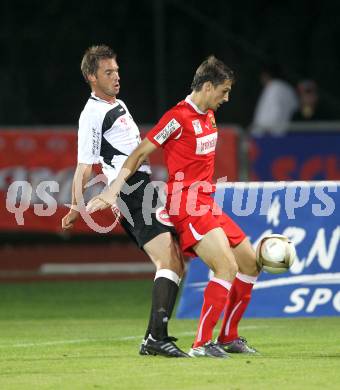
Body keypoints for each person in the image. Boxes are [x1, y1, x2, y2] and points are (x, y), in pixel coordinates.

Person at [87, 55, 260, 358]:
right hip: (187, 206)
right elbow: (140, 153)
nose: (227, 98)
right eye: (224, 91)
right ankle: (201, 345)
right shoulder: (176, 119)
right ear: (207, 87)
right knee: (227, 266)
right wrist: (114, 189)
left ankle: (229, 336)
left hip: (207, 202)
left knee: (249, 262)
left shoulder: (208, 114)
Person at [61, 45, 189, 358]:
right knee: (168, 261)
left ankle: (153, 338)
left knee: (174, 261)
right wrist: (76, 206)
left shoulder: (115, 103)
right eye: (108, 72)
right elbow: (84, 165)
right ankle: (156, 339)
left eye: (117, 70)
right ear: (92, 77)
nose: (116, 76)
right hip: (131, 192)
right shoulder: (92, 114)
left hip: (142, 188)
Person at [250, 63, 298, 136]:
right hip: (284, 133)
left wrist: (264, 130)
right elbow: (295, 107)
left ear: (266, 75)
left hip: (269, 134)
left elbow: (274, 111)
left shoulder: (273, 87)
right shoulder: (288, 88)